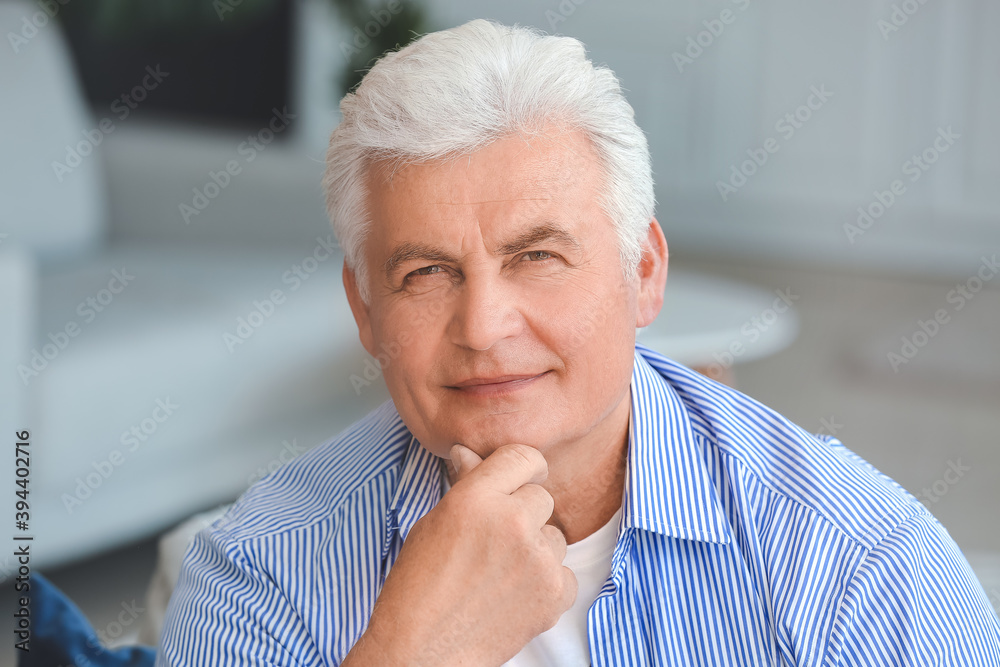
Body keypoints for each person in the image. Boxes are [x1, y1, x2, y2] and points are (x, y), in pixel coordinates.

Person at [156, 18, 1000, 666]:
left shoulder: (857, 562)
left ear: (644, 272)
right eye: (425, 273)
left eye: (538, 256)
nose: (484, 328)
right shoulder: (257, 572)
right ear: (365, 308)